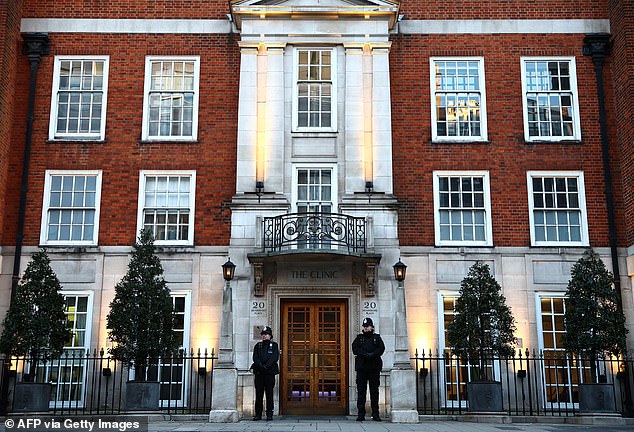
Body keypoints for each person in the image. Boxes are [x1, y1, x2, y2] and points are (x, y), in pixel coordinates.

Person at [352, 317, 385, 422]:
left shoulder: (377, 338)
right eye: (364, 326)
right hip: (362, 369)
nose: (366, 328)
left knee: (374, 392)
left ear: (372, 327)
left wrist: (372, 354)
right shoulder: (359, 338)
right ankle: (361, 413)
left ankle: (375, 413)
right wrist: (365, 354)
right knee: (361, 392)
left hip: (374, 369)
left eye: (367, 326)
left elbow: (381, 348)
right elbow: (354, 349)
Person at [251, 325, 279, 421]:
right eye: (263, 334)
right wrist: (261, 366)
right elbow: (255, 358)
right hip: (259, 373)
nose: (264, 336)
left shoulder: (274, 345)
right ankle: (258, 414)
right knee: (259, 394)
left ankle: (269, 414)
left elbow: (274, 357)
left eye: (266, 334)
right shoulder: (258, 346)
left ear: (270, 336)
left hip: (269, 373)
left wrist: (266, 366)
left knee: (269, 394)